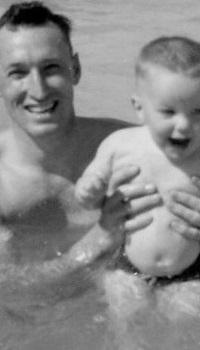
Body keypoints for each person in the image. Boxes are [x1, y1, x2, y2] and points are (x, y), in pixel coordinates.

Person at [0, 2, 199, 349]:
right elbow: (12, 290)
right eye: (18, 72)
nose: (39, 89)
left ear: (75, 69)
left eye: (51, 68)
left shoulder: (135, 146)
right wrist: (100, 239)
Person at [76, 36, 200, 349]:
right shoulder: (121, 144)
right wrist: (89, 189)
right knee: (125, 321)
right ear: (139, 108)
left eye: (198, 111)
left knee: (187, 322)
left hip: (191, 271)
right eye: (168, 112)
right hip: (128, 268)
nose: (184, 126)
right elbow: (91, 183)